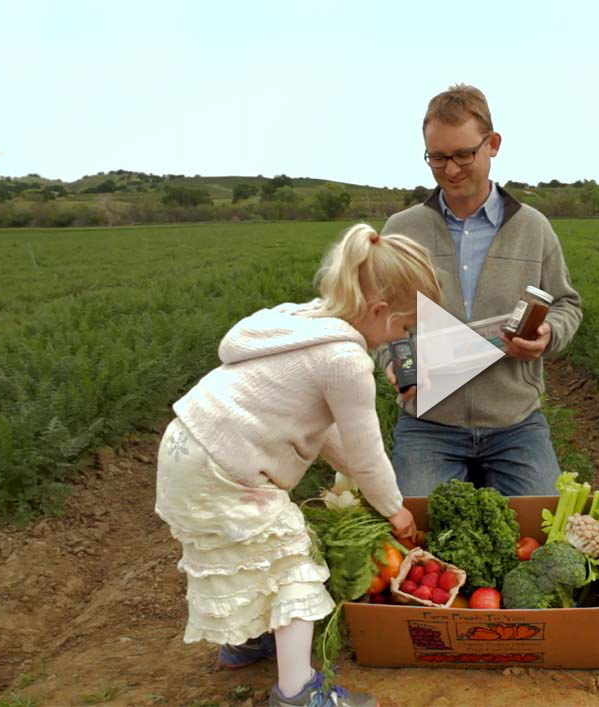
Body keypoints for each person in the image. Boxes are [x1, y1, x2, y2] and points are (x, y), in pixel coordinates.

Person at [155, 223, 441, 707]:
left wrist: (353, 477)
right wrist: (394, 508)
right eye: (404, 328)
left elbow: (327, 430)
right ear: (378, 312)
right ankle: (298, 693)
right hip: (227, 467)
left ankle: (246, 643)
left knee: (238, 551)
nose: (401, 339)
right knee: (293, 563)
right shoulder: (346, 360)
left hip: (187, 449)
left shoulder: (301, 322)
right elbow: (367, 449)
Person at [377, 83, 583, 498]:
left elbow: (565, 304)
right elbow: (378, 314)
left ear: (493, 144)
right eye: (437, 158)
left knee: (542, 535)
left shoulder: (533, 228)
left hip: (514, 422)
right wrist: (390, 362)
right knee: (417, 534)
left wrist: (547, 335)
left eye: (463, 155)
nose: (450, 170)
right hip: (429, 423)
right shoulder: (402, 231)